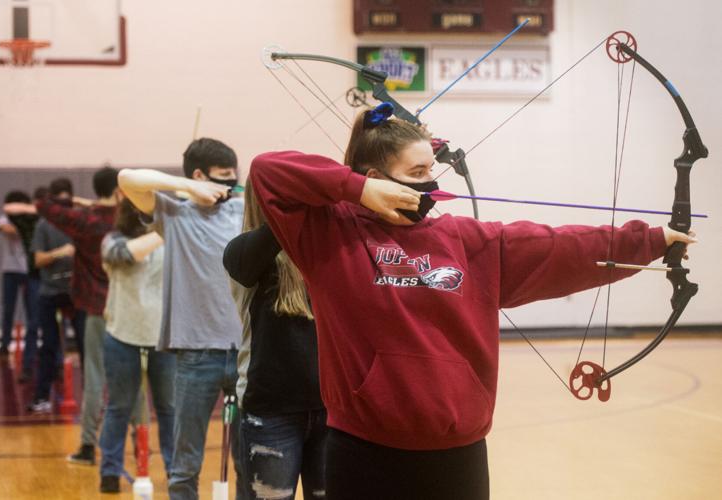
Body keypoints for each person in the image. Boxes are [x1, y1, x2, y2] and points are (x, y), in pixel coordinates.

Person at [247, 104, 698, 500]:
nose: (431, 183)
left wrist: (653, 240)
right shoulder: (332, 237)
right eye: (417, 173)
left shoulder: (469, 241)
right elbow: (268, 170)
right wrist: (357, 193)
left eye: (432, 171)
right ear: (376, 180)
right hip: (361, 450)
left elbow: (562, 247)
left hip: (457, 454)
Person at [118, 137, 246, 500]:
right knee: (184, 467)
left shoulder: (242, 212)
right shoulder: (173, 215)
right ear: (199, 175)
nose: (228, 186)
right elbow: (127, 178)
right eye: (221, 178)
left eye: (233, 179)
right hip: (195, 356)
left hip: (245, 353)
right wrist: (188, 188)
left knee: (249, 463)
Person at [223, 179, 327, 500]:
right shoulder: (245, 253)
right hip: (271, 413)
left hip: (330, 410)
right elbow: (262, 247)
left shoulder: (323, 255)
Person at [36, 166, 120, 465]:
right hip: (129, 311)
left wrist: (79, 202)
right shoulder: (132, 217)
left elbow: (42, 202)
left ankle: (87, 447)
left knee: (94, 376)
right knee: (134, 381)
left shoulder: (88, 220)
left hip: (97, 309)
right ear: (120, 189)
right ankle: (139, 444)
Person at [97, 198, 175, 493]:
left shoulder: (170, 242)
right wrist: (166, 229)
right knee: (119, 407)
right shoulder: (112, 241)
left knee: (169, 409)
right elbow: (128, 254)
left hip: (163, 338)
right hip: (122, 336)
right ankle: (109, 471)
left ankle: (174, 471)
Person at [27, 178, 84, 413]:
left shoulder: (80, 222)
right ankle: (42, 397)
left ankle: (94, 401)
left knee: (87, 346)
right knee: (49, 346)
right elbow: (38, 260)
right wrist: (62, 252)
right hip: (50, 292)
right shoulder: (44, 225)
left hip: (77, 292)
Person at [0, 190, 41, 383]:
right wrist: (23, 225)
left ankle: (31, 352)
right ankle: (4, 344)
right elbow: (7, 229)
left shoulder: (32, 219)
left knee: (32, 313)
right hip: (10, 270)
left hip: (28, 271)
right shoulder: (5, 218)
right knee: (8, 308)